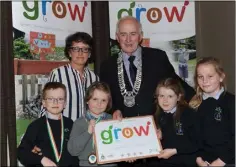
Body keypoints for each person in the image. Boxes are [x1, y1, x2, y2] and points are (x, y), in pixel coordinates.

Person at [100, 16, 195, 120]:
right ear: (117, 37)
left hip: (156, 127)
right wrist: (114, 110)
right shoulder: (107, 66)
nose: (128, 39)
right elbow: (105, 99)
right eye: (123, 34)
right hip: (124, 130)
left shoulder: (157, 58)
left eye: (133, 34)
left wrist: (197, 99)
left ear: (140, 36)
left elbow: (177, 84)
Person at [40, 32, 99, 121]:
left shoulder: (94, 78)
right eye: (76, 49)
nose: (80, 53)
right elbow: (46, 105)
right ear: (70, 52)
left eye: (85, 49)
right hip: (63, 130)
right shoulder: (58, 74)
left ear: (89, 54)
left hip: (86, 131)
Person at [17, 82, 78, 166]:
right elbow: (22, 152)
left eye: (60, 99)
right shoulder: (36, 126)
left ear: (65, 104)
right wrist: (41, 159)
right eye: (50, 99)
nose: (55, 102)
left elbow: (76, 152)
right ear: (44, 103)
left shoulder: (70, 123)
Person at [188, 57, 235, 167]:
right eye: (200, 77)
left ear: (221, 77)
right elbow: (192, 136)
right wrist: (198, 158)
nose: (205, 81)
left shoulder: (231, 102)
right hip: (202, 162)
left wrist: (221, 161)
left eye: (210, 76)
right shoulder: (194, 104)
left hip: (228, 161)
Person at [151, 78, 200, 167]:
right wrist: (157, 137)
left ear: (179, 97)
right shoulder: (156, 116)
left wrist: (175, 151)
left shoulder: (189, 114)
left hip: (184, 163)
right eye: (161, 96)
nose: (165, 100)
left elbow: (197, 143)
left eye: (170, 96)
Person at [67, 82, 117, 167]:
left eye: (103, 100)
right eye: (95, 99)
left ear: (108, 102)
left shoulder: (113, 120)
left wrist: (128, 154)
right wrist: (88, 132)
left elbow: (121, 145)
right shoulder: (79, 123)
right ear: (87, 100)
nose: (99, 104)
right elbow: (73, 150)